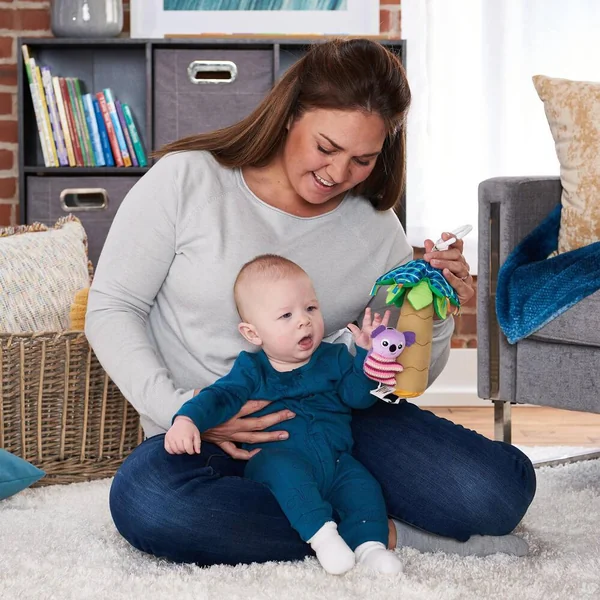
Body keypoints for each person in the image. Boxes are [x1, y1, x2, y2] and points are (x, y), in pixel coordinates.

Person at [86, 38, 536, 567]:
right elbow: (112, 308)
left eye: (363, 159)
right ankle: (379, 531)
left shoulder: (375, 228)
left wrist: (434, 309)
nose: (338, 174)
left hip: (332, 419)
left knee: (497, 493)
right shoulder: (188, 179)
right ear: (289, 114)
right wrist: (182, 411)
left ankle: (323, 513)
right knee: (149, 503)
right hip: (207, 428)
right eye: (326, 147)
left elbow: (398, 376)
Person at [166, 254, 403, 575]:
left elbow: (358, 399)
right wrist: (187, 419)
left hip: (335, 460)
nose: (304, 321)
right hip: (277, 459)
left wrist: (366, 359)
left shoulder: (334, 357)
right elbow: (219, 397)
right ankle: (323, 536)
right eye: (286, 315)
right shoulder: (251, 370)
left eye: (311, 308)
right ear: (253, 333)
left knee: (363, 487)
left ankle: (370, 547)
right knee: (283, 474)